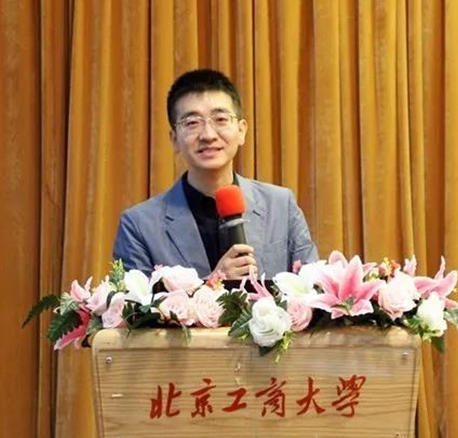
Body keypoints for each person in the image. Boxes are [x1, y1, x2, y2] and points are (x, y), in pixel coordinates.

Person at [112, 68, 319, 280]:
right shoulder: (139, 225)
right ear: (174, 139)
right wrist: (215, 282)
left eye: (220, 119)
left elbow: (312, 290)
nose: (208, 135)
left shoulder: (281, 205)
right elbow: (135, 302)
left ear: (241, 131)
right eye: (192, 123)